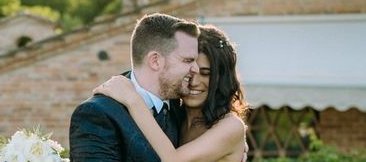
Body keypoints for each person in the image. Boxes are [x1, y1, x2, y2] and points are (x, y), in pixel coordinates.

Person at [94, 25, 248, 162]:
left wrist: (133, 99)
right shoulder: (173, 114)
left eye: (206, 73)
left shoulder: (230, 126)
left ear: (221, 79)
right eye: (190, 70)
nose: (194, 82)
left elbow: (172, 159)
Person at [69, 13, 201, 161]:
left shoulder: (183, 109)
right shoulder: (97, 114)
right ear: (155, 61)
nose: (196, 69)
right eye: (188, 60)